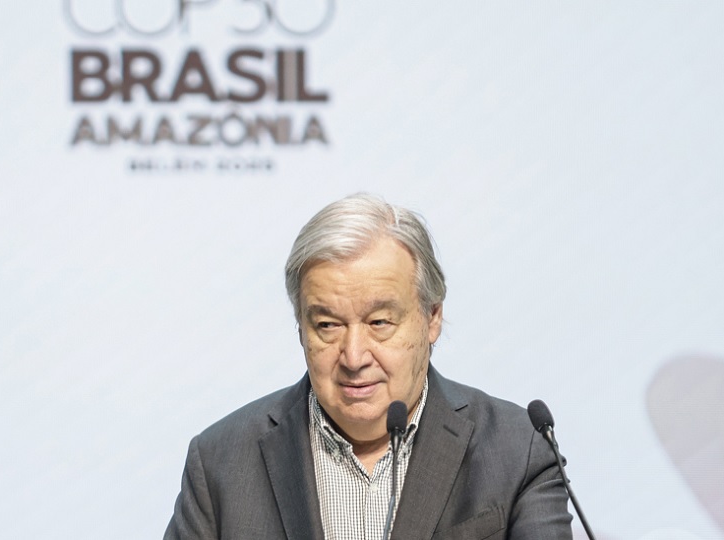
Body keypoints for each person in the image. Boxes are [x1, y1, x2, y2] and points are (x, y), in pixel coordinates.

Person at [164, 193, 573, 539]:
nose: (354, 357)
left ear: (432, 317)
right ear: (300, 326)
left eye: (379, 323)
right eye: (326, 325)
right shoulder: (221, 462)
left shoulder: (517, 449)